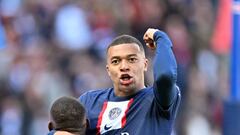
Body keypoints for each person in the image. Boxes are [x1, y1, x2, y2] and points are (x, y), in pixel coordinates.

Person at [79, 28, 181, 135]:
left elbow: (165, 76)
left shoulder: (157, 99)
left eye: (131, 59)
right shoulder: (89, 101)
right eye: (116, 61)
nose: (124, 67)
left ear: (145, 65)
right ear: (108, 70)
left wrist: (161, 38)